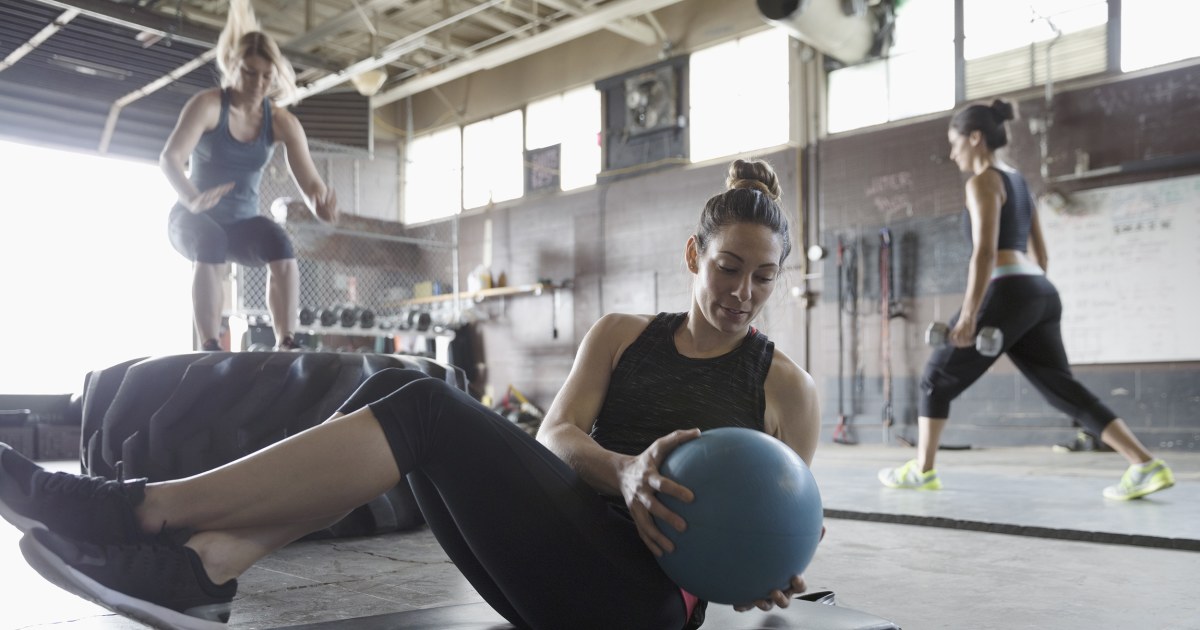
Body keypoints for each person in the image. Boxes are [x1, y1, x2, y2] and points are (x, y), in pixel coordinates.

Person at [0, 158, 821, 630]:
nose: (742, 291)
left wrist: (765, 573)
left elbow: (777, 542)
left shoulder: (787, 390)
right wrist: (628, 470)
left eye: (762, 276)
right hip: (555, 548)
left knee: (421, 405)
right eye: (727, 267)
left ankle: (143, 511)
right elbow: (556, 439)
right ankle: (209, 564)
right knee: (396, 382)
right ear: (693, 255)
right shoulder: (620, 334)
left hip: (647, 607)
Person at [877, 99, 1175, 501]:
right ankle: (1145, 464)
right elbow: (1043, 256)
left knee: (935, 377)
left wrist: (969, 316)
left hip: (1007, 289)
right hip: (1040, 291)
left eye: (955, 143)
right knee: (1061, 389)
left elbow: (983, 252)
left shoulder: (982, 181)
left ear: (975, 138)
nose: (952, 153)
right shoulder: (1019, 181)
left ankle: (922, 470)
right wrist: (1028, 306)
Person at [161, 0, 338, 352]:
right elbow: (170, 158)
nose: (258, 84)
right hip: (192, 217)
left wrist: (321, 205)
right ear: (233, 67)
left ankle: (286, 341)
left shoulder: (282, 121)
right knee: (210, 241)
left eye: (266, 76)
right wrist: (192, 196)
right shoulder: (209, 105)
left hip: (242, 226)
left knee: (280, 245)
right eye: (249, 73)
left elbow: (311, 183)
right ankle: (210, 345)